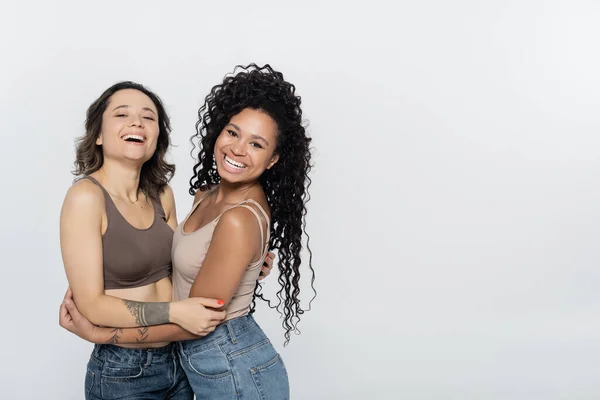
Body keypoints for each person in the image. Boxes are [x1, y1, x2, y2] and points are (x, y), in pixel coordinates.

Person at [61, 64, 315, 400]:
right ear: (98, 133)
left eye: (148, 117)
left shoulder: (162, 195)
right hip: (130, 369)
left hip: (188, 364)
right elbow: (95, 302)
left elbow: (191, 293)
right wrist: (231, 264)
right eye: (122, 114)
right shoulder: (86, 197)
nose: (137, 122)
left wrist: (243, 262)